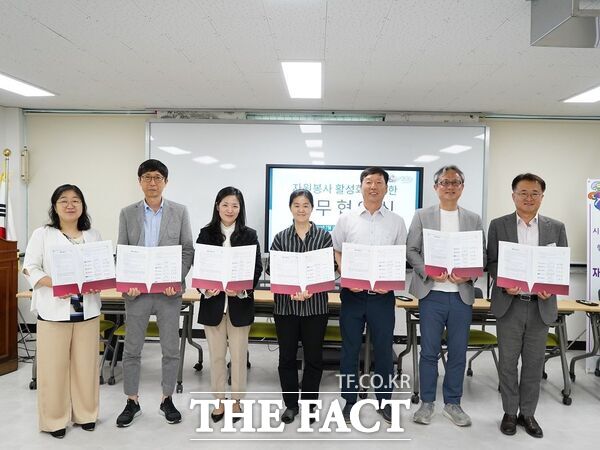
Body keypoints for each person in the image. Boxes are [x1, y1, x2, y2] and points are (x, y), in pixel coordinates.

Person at [487, 173, 568, 439]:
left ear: (542, 197)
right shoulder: (499, 225)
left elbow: (560, 264)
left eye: (534, 193)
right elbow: (492, 263)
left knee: (534, 364)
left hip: (540, 306)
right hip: (509, 304)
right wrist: (503, 282)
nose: (528, 198)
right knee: (508, 363)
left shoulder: (556, 227)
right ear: (513, 196)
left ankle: (528, 414)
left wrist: (551, 287)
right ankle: (510, 412)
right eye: (523, 193)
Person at [115, 159, 194, 427]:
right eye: (147, 177)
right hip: (137, 293)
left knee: (171, 349)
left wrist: (177, 278)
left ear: (166, 182)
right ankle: (132, 400)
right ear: (139, 181)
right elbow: (123, 252)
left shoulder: (180, 211)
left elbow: (187, 250)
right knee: (133, 349)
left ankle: (166, 398)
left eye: (158, 177)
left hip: (168, 292)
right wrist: (128, 282)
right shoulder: (127, 213)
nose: (152, 182)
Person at [406, 165, 486, 427]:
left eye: (455, 182)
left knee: (458, 353)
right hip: (433, 294)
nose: (450, 186)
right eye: (444, 182)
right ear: (435, 187)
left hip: (461, 296)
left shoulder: (473, 219)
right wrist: (428, 272)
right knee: (428, 352)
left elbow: (481, 255)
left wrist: (468, 275)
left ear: (462, 187)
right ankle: (427, 403)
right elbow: (412, 250)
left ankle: (453, 403)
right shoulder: (422, 215)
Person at [23, 184, 102, 438]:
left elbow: (100, 269)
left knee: (86, 367)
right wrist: (54, 283)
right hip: (53, 312)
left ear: (83, 206)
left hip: (86, 311)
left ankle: (86, 414)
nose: (70, 205)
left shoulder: (93, 235)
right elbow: (30, 268)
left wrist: (96, 281)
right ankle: (54, 419)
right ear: (55, 207)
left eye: (76, 200)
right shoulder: (43, 234)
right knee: (53, 368)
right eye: (63, 200)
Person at [331, 167, 407, 424]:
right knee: (350, 349)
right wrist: (345, 274)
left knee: (384, 349)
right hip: (352, 296)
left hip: (382, 297)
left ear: (386, 187)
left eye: (378, 182)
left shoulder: (397, 221)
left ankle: (385, 401)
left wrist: (391, 281)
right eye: (368, 182)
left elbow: (400, 256)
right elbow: (337, 250)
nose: (373, 186)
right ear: (361, 186)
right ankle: (349, 401)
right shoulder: (347, 219)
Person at [196, 186, 262, 423]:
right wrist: (205, 288)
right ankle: (219, 401)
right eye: (225, 204)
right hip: (213, 303)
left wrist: (242, 289)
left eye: (235, 205)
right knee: (216, 356)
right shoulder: (206, 233)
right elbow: (200, 266)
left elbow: (256, 268)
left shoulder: (249, 234)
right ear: (217, 206)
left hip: (239, 304)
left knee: (238, 355)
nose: (230, 209)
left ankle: (236, 401)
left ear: (240, 208)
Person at [268, 189, 334, 424]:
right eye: (297, 205)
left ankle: (309, 405)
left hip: (315, 307)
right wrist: (290, 289)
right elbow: (272, 270)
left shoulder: (324, 237)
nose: (301, 209)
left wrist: (311, 289)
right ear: (290, 208)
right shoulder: (280, 237)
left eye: (306, 205)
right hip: (286, 308)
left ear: (312, 208)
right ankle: (290, 405)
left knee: (314, 358)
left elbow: (330, 270)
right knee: (286, 358)